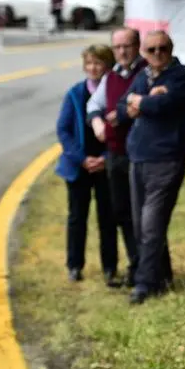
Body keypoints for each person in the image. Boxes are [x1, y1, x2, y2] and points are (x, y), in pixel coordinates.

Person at [116, 30, 185, 304]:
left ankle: (143, 284)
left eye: (163, 48)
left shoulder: (182, 76)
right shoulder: (143, 77)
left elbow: (168, 103)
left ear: (171, 48)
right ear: (144, 53)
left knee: (151, 225)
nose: (158, 54)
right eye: (151, 50)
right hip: (138, 158)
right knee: (143, 227)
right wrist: (142, 101)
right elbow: (119, 109)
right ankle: (162, 278)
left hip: (166, 160)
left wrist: (143, 102)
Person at [86, 27, 146, 288]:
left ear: (137, 46)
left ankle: (148, 269)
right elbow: (93, 105)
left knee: (143, 215)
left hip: (141, 155)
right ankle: (135, 265)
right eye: (118, 47)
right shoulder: (111, 77)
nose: (122, 51)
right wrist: (97, 122)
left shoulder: (146, 73)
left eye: (127, 46)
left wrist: (124, 114)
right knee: (121, 212)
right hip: (115, 154)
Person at [55, 44, 119, 285]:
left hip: (106, 164)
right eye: (89, 63)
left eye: (98, 63)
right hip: (78, 166)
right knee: (77, 217)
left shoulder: (114, 94)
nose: (93, 68)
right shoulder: (74, 94)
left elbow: (120, 129)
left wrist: (104, 157)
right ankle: (74, 265)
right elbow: (63, 129)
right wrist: (81, 158)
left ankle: (110, 267)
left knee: (108, 217)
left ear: (108, 66)